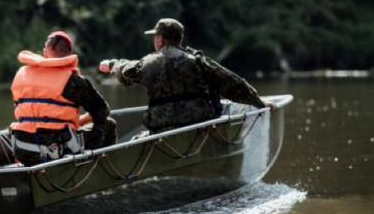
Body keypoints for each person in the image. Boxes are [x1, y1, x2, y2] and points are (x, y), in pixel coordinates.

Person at [99, 18, 274, 133]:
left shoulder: (148, 63)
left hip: (162, 129)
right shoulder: (198, 61)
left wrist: (113, 64)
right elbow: (232, 84)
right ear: (178, 39)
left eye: (155, 37)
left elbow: (126, 71)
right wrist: (259, 103)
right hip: (199, 125)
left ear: (161, 40)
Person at [10, 31, 117, 166]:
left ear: (45, 53)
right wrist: (80, 121)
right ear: (69, 55)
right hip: (58, 151)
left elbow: (24, 112)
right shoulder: (74, 81)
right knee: (109, 124)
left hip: (24, 150)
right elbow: (102, 112)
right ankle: (100, 171)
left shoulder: (21, 75)